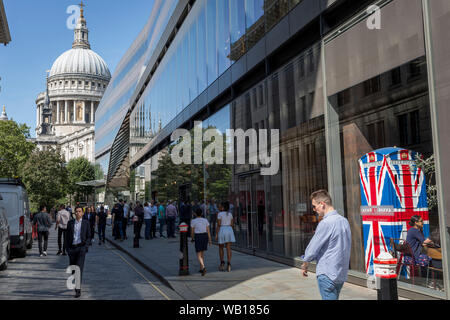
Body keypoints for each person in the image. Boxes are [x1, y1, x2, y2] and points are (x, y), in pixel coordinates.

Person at [300, 190, 352, 300]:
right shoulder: (344, 221)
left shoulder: (325, 223)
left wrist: (305, 263)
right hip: (340, 273)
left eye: (314, 206)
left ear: (322, 204)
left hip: (327, 273)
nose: (314, 210)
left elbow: (312, 248)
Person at [65, 206, 91, 298]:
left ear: (82, 213)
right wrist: (67, 248)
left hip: (81, 249)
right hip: (72, 249)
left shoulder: (86, 223)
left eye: (79, 211)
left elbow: (89, 236)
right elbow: (66, 236)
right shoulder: (70, 223)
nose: (77, 213)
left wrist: (85, 247)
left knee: (78, 270)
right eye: (76, 211)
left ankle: (78, 290)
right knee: (73, 270)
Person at [191, 208, 212, 276]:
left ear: (195, 214)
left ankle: (203, 267)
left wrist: (192, 238)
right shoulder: (205, 220)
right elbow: (208, 231)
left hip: (198, 236)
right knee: (202, 253)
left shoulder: (193, 221)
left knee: (198, 254)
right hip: (205, 236)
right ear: (202, 213)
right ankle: (200, 268)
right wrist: (210, 240)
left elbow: (192, 231)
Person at [216, 201, 236, 272]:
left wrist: (216, 234)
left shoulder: (219, 214)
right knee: (228, 247)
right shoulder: (230, 214)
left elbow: (218, 224)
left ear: (223, 207)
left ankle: (222, 263)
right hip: (229, 230)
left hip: (222, 229)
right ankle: (229, 263)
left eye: (220, 206)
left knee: (221, 247)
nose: (219, 207)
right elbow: (232, 224)